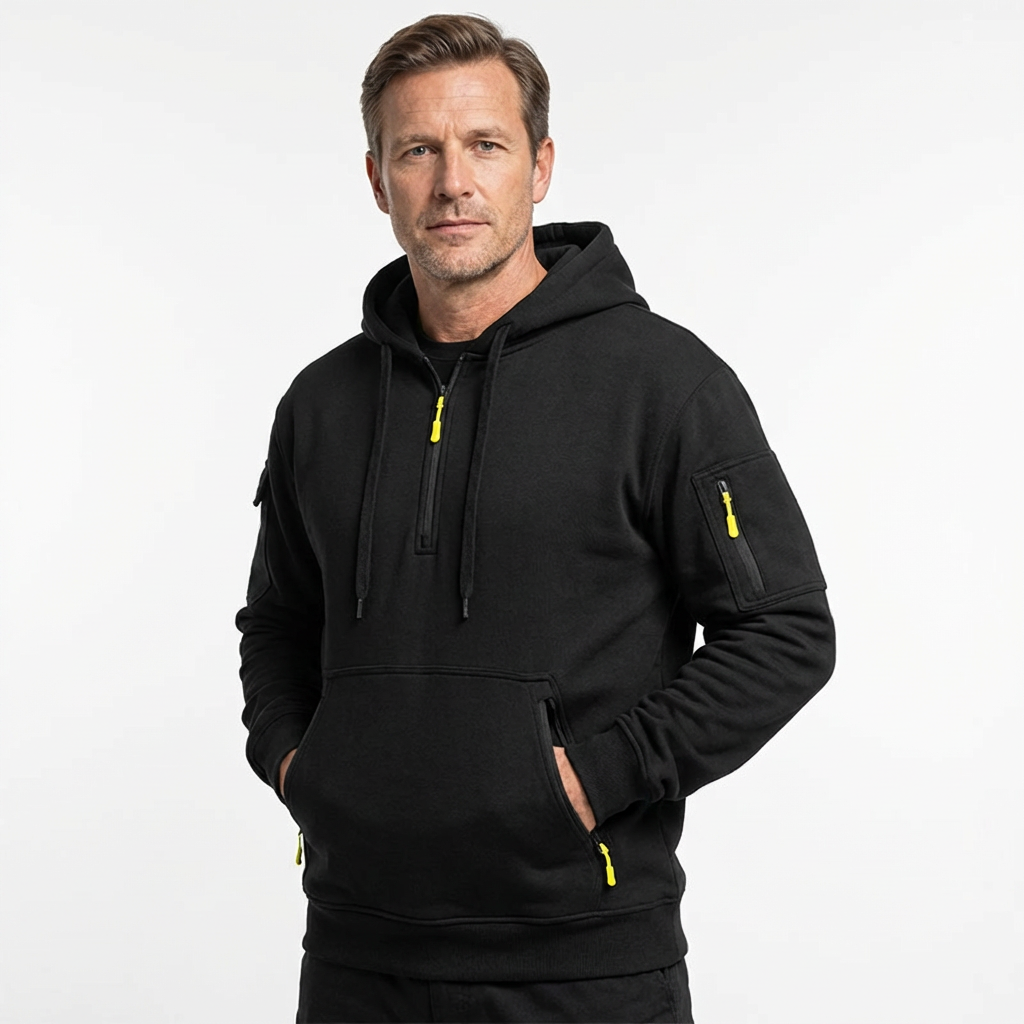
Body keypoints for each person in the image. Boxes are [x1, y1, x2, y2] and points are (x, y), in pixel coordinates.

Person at [235, 13, 836, 1023]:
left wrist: (593, 779)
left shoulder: (661, 384)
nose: (452, 183)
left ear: (540, 166)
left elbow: (784, 630)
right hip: (355, 958)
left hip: (583, 967)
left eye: (485, 145)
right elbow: (278, 621)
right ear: (377, 179)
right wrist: (302, 766)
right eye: (417, 150)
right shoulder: (320, 403)